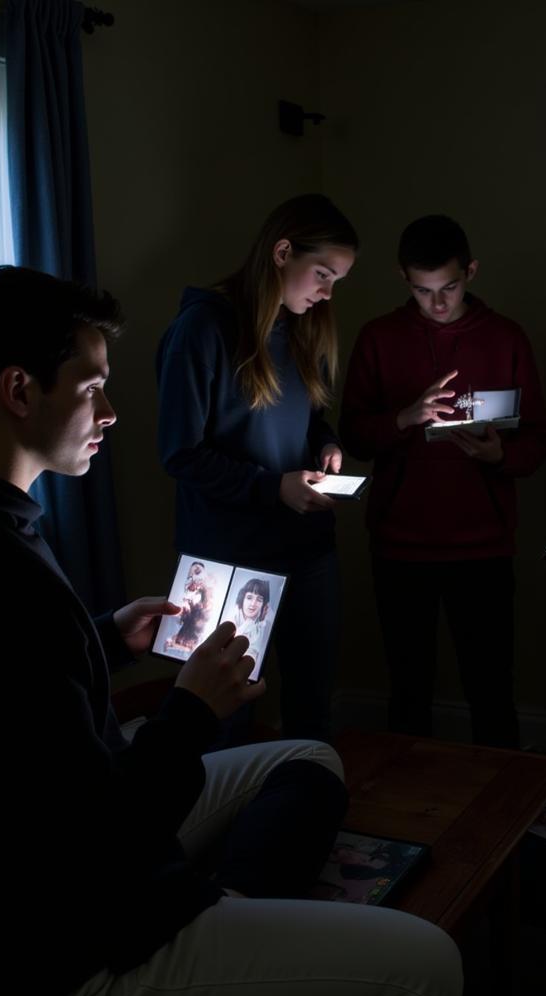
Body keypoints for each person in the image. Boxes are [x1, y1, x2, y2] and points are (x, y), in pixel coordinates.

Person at [0, 266, 463, 996]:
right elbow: (103, 835)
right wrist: (191, 708)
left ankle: (228, 920)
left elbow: (8, 690)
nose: (111, 411)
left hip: (33, 883)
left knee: (305, 759)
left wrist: (105, 638)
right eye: (93, 387)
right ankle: (211, 942)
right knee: (432, 968)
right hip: (53, 959)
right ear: (20, 391)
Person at [340, 214, 546, 748]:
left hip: (483, 549)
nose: (436, 303)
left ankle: (501, 816)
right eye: (422, 290)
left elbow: (538, 445)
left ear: (471, 271)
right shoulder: (379, 338)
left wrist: (500, 453)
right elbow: (354, 438)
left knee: (491, 693)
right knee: (408, 693)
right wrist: (405, 418)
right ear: (403, 279)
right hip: (399, 549)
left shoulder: (506, 339)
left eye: (449, 288)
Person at [157, 194, 357, 743]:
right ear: (282, 251)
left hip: (308, 551)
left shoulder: (302, 326)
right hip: (227, 561)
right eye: (322, 274)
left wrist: (327, 445)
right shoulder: (202, 330)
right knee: (223, 721)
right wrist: (272, 488)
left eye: (337, 280)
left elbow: (314, 415)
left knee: (312, 710)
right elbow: (179, 453)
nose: (326, 292)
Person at [227, 576, 272, 663]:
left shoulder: (263, 626)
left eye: (259, 600)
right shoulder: (231, 619)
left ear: (263, 604)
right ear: (242, 598)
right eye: (249, 598)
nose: (253, 604)